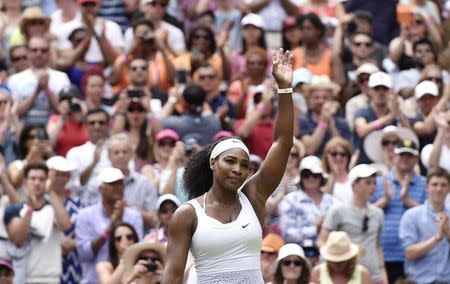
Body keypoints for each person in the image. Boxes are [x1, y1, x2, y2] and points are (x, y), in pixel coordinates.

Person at [161, 48, 294, 283]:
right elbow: (171, 277)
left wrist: (284, 89)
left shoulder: (254, 197)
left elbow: (283, 143)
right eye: (230, 161)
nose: (238, 169)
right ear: (213, 163)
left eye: (244, 165)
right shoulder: (187, 214)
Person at [4, 163, 71, 283]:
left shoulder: (53, 208)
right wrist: (30, 209)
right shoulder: (14, 209)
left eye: (41, 179)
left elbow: (66, 226)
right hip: (25, 278)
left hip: (52, 277)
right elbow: (18, 241)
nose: (37, 183)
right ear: (25, 182)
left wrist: (50, 192)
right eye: (33, 178)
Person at [318, 164, 386, 283]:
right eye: (368, 183)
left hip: (374, 276)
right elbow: (321, 242)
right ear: (354, 185)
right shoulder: (337, 211)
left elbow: (377, 246)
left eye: (375, 183)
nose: (373, 187)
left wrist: (383, 274)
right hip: (346, 277)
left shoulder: (378, 213)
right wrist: (341, 254)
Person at [371, 139, 427, 283]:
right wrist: (385, 200)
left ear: (416, 159)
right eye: (401, 155)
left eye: (409, 156)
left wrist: (407, 200)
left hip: (416, 255)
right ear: (394, 157)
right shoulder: (378, 182)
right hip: (384, 253)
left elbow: (431, 215)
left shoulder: (426, 184)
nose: (405, 159)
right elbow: (365, 214)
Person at [75, 167, 144, 284]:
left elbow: (137, 252)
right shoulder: (85, 215)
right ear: (100, 188)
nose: (118, 188)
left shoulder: (134, 216)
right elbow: (84, 254)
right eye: (112, 184)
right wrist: (111, 228)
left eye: (120, 183)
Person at [399, 167, 450, 283]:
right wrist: (437, 238)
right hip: (419, 281)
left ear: (449, 189)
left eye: (443, 185)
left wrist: (448, 232)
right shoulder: (411, 216)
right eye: (435, 184)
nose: (439, 189)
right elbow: (409, 253)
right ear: (426, 187)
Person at [46, 156, 83, 284]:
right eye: (58, 174)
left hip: (73, 262)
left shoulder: (77, 203)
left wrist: (73, 243)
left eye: (65, 175)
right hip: (47, 261)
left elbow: (86, 234)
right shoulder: (41, 202)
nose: (61, 178)